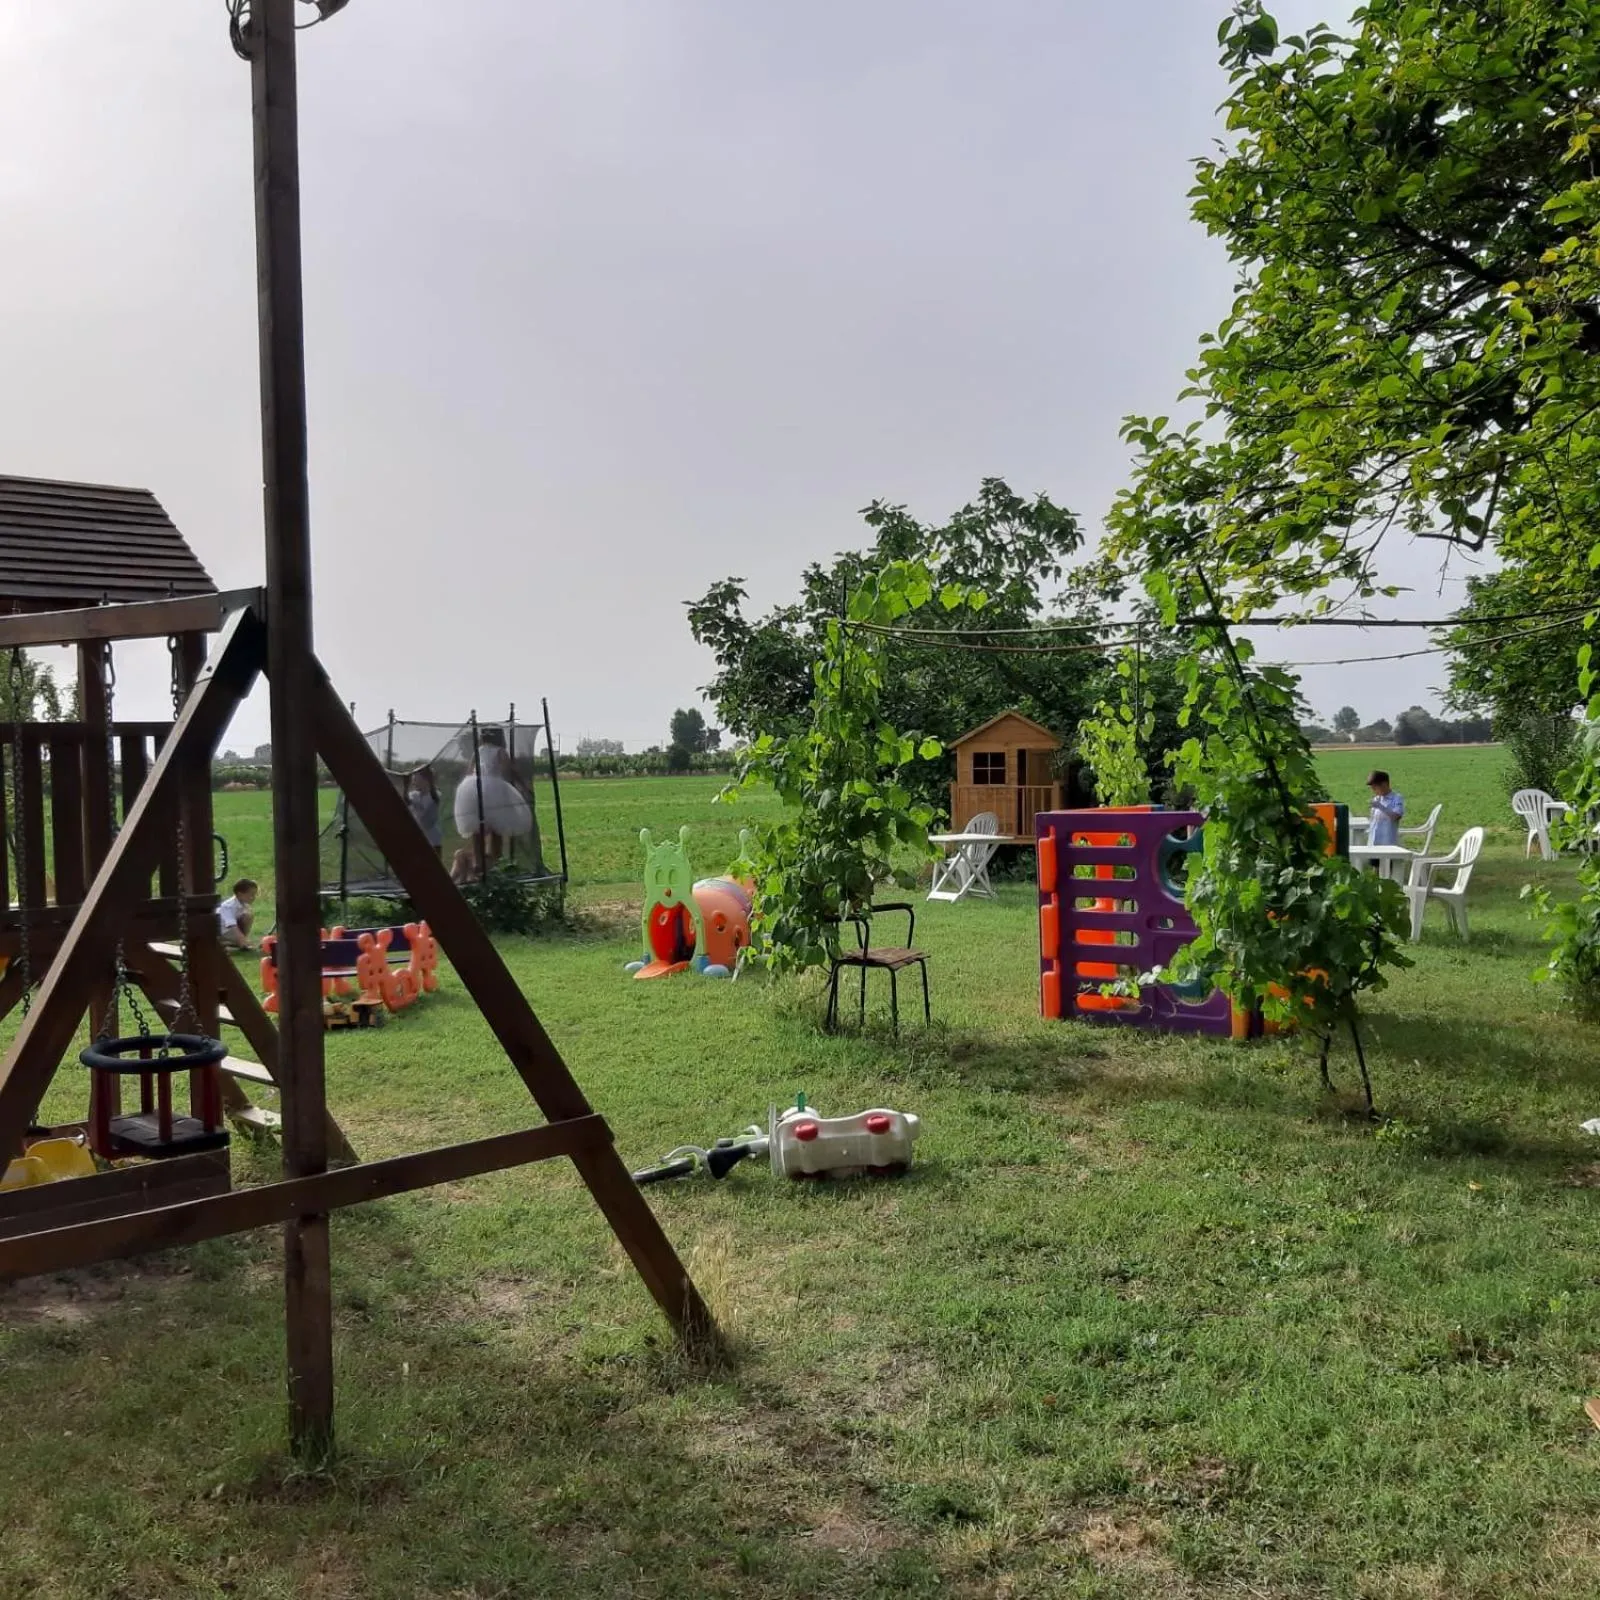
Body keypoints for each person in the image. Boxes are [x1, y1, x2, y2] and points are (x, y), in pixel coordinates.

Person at [452, 727, 534, 876]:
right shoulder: (500, 751)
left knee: (477, 829)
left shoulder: (478, 751)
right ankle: (496, 861)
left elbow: (470, 771)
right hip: (493, 789)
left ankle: (478, 861)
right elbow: (507, 770)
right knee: (497, 828)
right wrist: (518, 785)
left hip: (472, 788)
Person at [407, 765, 443, 860]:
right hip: (416, 840)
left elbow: (426, 819)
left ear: (426, 781)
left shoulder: (435, 795)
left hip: (433, 840)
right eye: (413, 780)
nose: (413, 783)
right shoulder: (412, 795)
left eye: (416, 780)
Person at [1366, 770, 1405, 847]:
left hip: (1388, 842)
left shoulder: (1397, 798)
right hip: (1373, 842)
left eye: (1375, 788)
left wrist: (1380, 806)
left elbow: (1396, 817)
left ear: (1384, 784)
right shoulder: (1376, 799)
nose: (1374, 791)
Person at [218, 878, 258, 951]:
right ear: (240, 894)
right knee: (247, 916)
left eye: (255, 895)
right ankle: (238, 943)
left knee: (248, 916)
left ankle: (237, 942)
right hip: (222, 932)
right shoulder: (228, 906)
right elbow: (232, 926)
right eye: (251, 895)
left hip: (229, 931)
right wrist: (242, 939)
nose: (253, 898)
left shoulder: (244, 904)